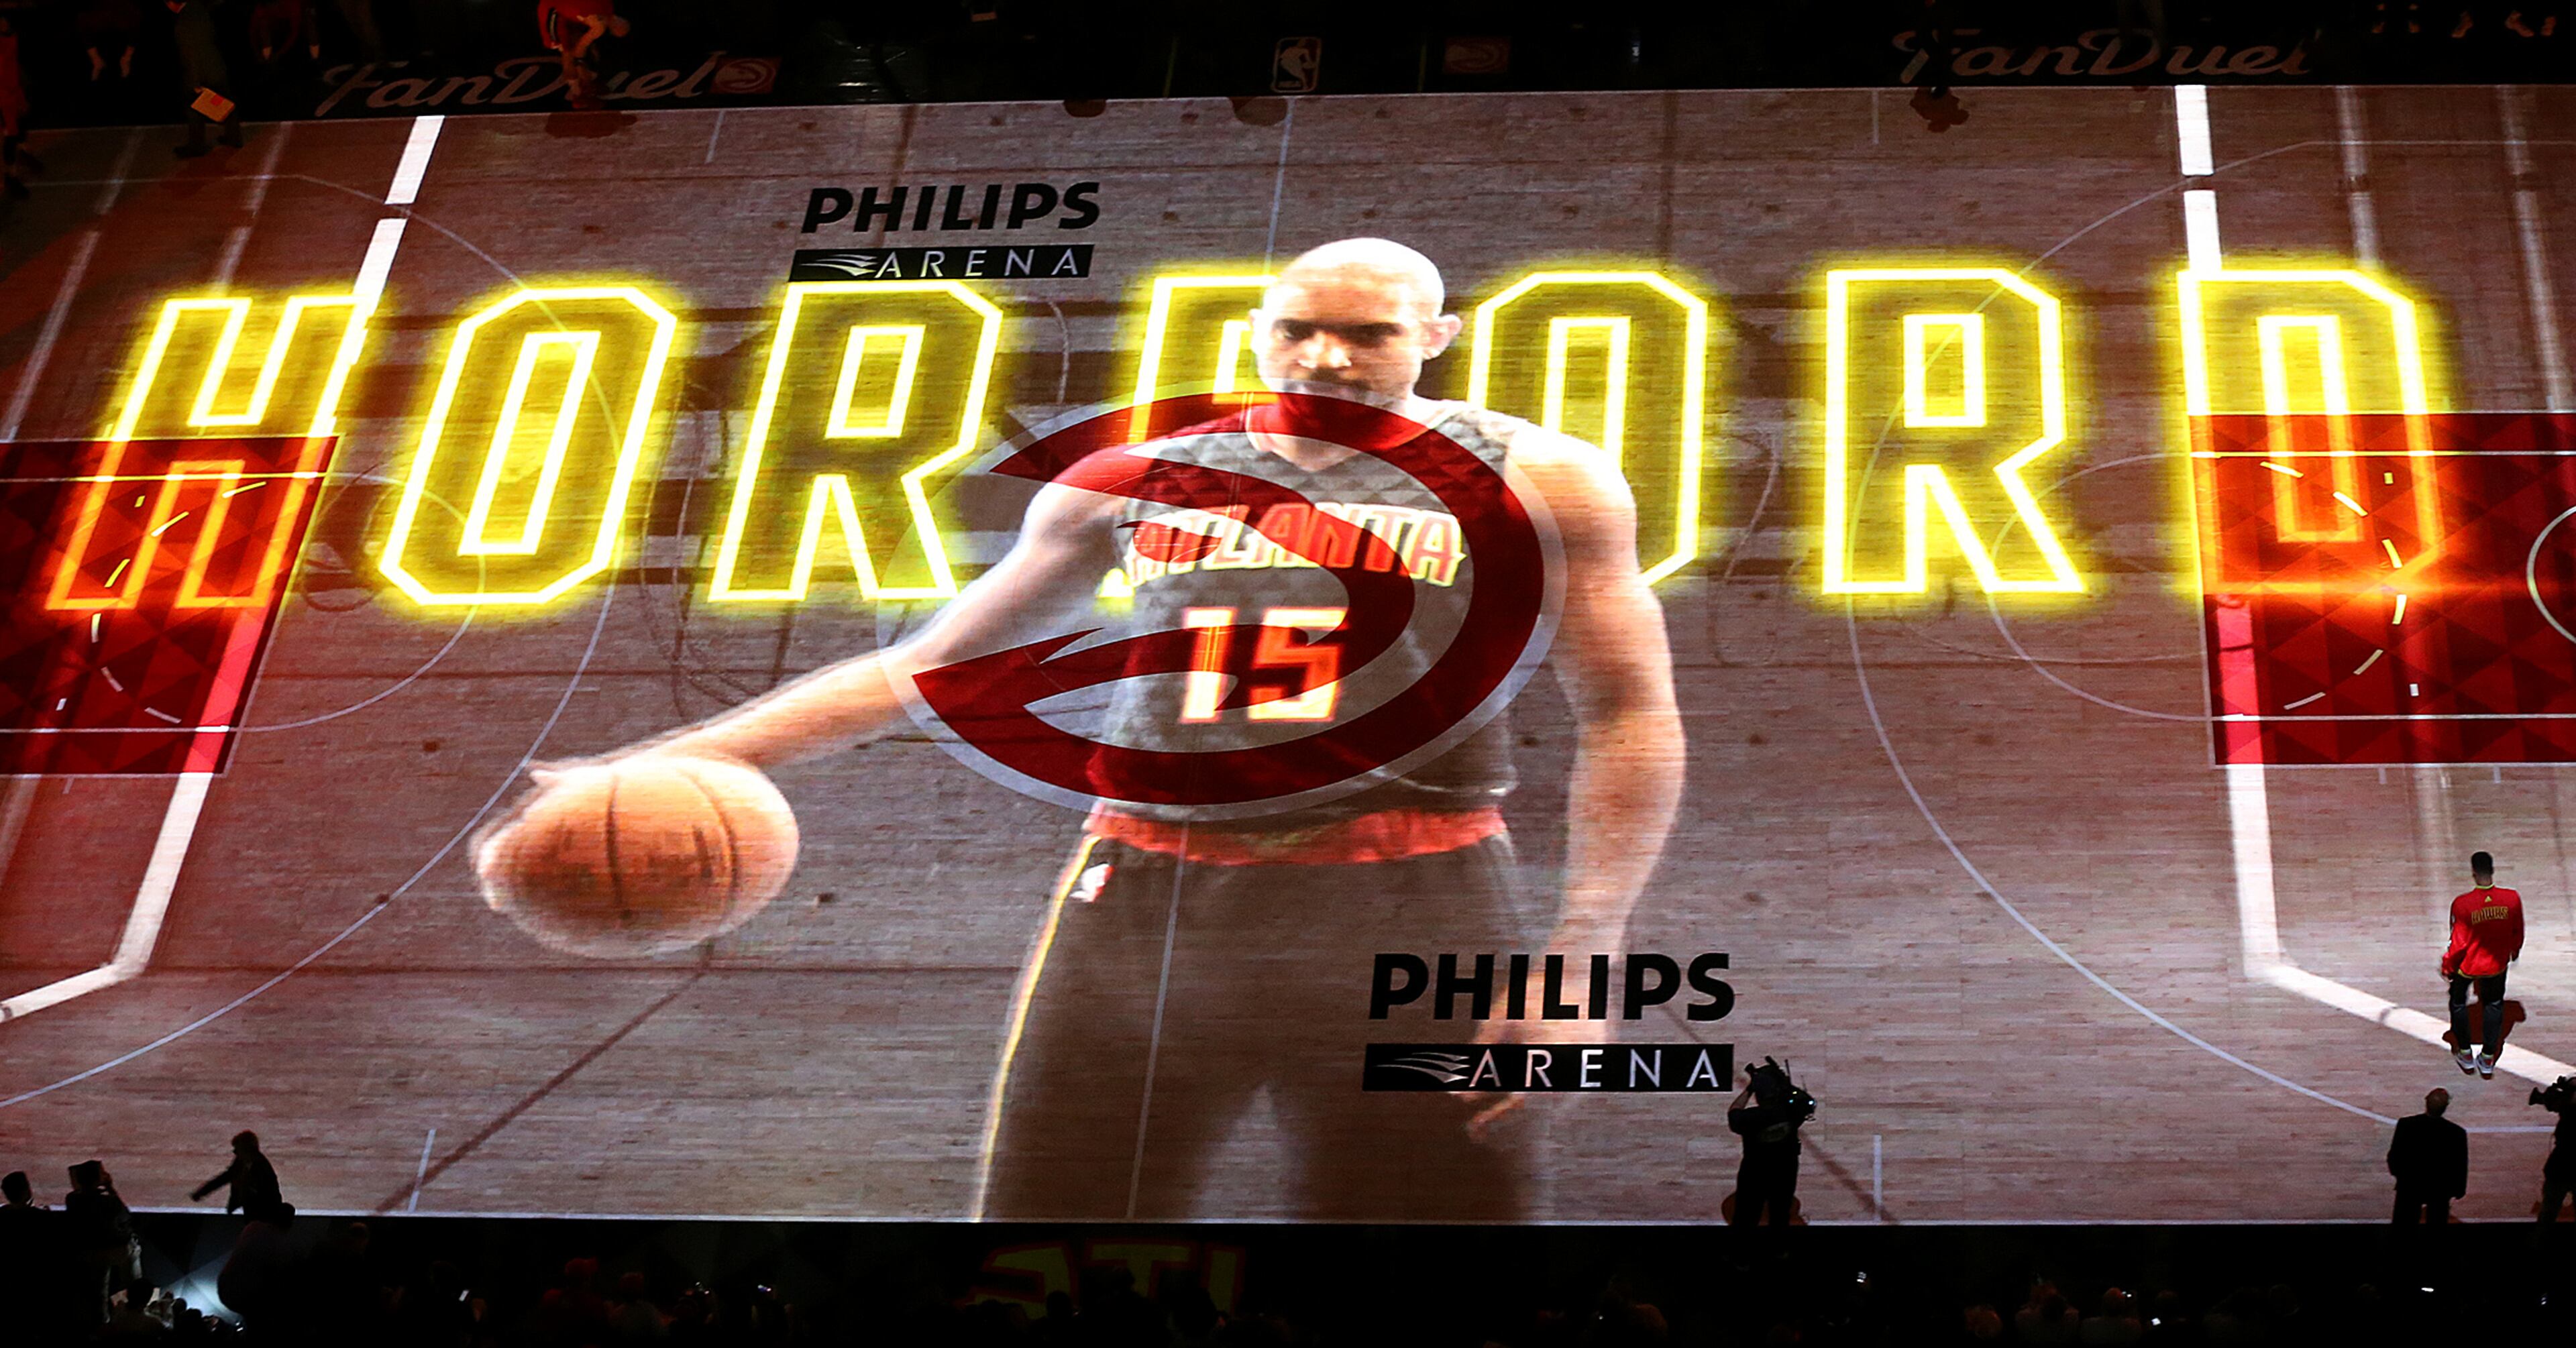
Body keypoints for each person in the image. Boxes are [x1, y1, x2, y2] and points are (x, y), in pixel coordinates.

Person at [486, 237, 1686, 1221]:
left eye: (1368, 334)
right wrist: (668, 763)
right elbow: (930, 670)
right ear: (1260, 333)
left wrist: (1585, 953)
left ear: (1435, 337)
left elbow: (1627, 711)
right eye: (1295, 329)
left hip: (1414, 898)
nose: (1325, 357)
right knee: (1050, 1225)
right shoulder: (1140, 477)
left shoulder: (1539, 479)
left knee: (1424, 1242)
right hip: (1146, 893)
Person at [2442, 850, 2524, 1078]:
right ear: (2493, 870)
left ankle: (2466, 1053)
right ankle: (2488, 1057)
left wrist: (2447, 965)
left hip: (2467, 966)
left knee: (2458, 1002)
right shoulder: (2512, 899)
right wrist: (2514, 950)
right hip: (2497, 964)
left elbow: (2457, 942)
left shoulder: (2462, 904)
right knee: (2494, 1004)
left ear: (2473, 873)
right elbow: (2518, 930)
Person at [1727, 1060, 1813, 1261]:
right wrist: (1785, 1085)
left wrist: (1750, 1088)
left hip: (1754, 1172)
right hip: (1784, 1171)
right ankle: (1779, 1252)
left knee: (1746, 1217)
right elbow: (1808, 1102)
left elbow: (1733, 1112)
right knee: (1780, 1214)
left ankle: (1741, 1259)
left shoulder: (1750, 1118)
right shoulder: (1792, 1113)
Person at [64, 1161, 138, 1328]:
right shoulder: (109, 1202)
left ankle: (101, 1322)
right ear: (98, 1180)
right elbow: (125, 1216)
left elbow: (80, 1194)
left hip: (89, 1252)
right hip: (114, 1250)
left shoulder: (72, 1199)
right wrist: (110, 1188)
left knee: (99, 1291)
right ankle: (137, 1295)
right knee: (133, 1251)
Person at [164, 0, 241, 157]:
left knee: (194, 107)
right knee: (224, 101)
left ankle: (197, 145)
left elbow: (190, 55)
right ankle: (234, 138)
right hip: (215, 64)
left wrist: (195, 81)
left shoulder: (184, 24)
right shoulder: (199, 9)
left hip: (201, 71)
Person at [2388, 1088, 2467, 1229]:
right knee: (2436, 1232)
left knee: (2403, 1228)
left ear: (2426, 1102)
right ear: (2446, 1107)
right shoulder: (2456, 1133)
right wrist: (2459, 1189)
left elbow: (2394, 1156)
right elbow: (2460, 1165)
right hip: (2440, 1189)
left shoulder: (2406, 1125)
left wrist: (2401, 1177)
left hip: (2410, 1185)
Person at [537, 0, 627, 109]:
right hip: (556, 12)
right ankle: (578, 93)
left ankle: (587, 83)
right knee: (568, 53)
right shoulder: (598, 23)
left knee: (584, 45)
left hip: (574, 13)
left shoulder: (607, 7)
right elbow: (579, 51)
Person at [189, 1131, 281, 1214]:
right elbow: (224, 1178)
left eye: (237, 1149)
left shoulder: (262, 1168)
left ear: (246, 1150)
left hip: (260, 1215)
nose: (234, 1152)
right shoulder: (241, 1162)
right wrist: (201, 1192)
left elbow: (261, 1195)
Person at [2536, 1076, 2576, 1225]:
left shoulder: (2568, 1114)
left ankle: (2539, 1243)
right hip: (2560, 1168)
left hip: (2559, 1168)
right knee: (2548, 1211)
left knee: (2548, 1213)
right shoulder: (2569, 1111)